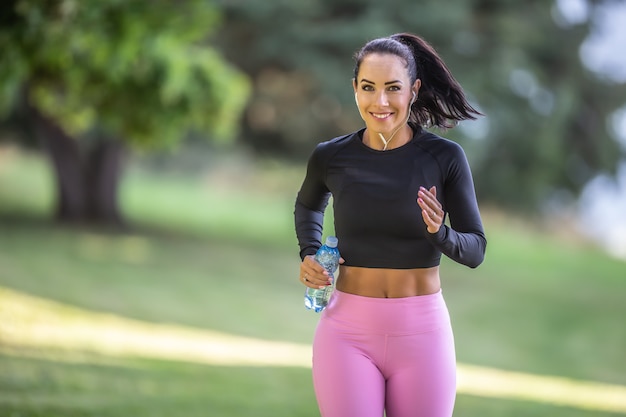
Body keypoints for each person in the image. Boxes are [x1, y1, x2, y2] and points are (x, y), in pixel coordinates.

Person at [293, 32, 487, 417]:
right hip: (346, 333)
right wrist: (310, 252)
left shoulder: (444, 157)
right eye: (368, 88)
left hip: (422, 335)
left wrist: (440, 233)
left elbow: (476, 249)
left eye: (392, 88)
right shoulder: (331, 156)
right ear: (354, 89)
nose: (379, 102)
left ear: (414, 90)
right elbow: (307, 205)